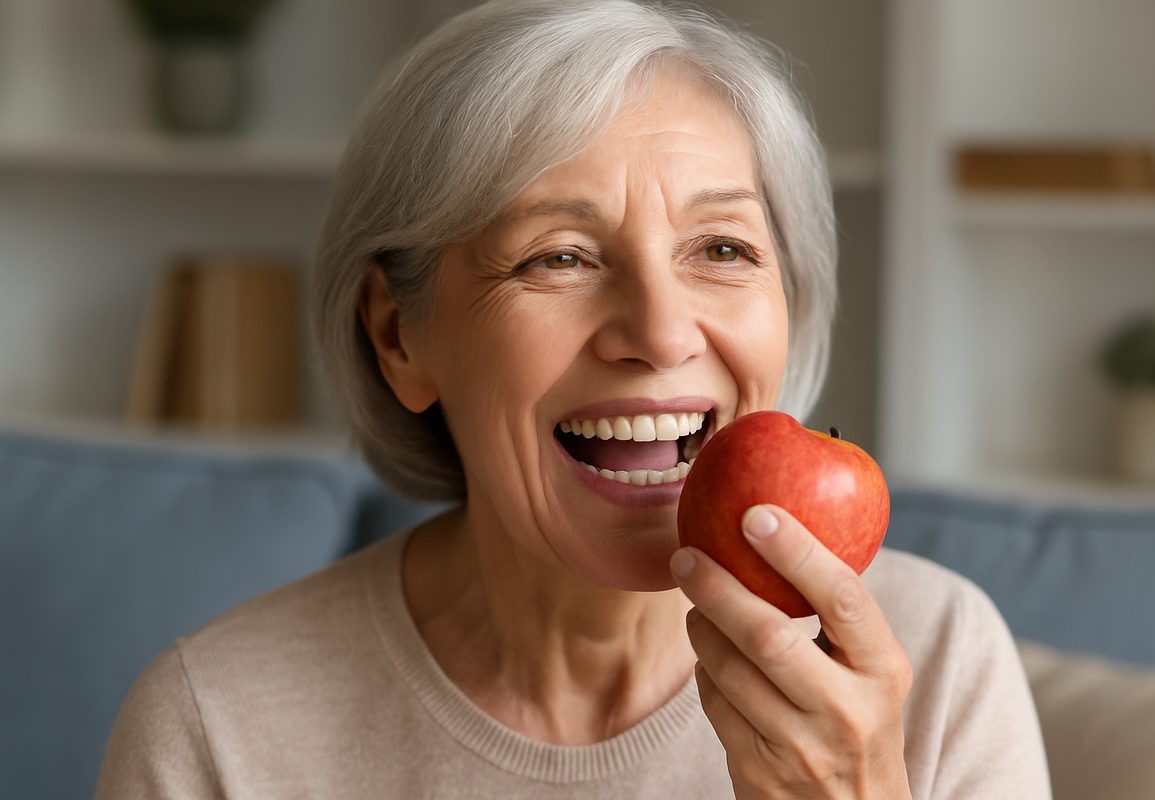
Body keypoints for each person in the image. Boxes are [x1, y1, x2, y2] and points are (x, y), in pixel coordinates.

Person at [97, 1, 1052, 797]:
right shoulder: (213, 729)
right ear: (400, 337)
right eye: (560, 256)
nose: (663, 331)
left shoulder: (938, 664)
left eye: (722, 249)